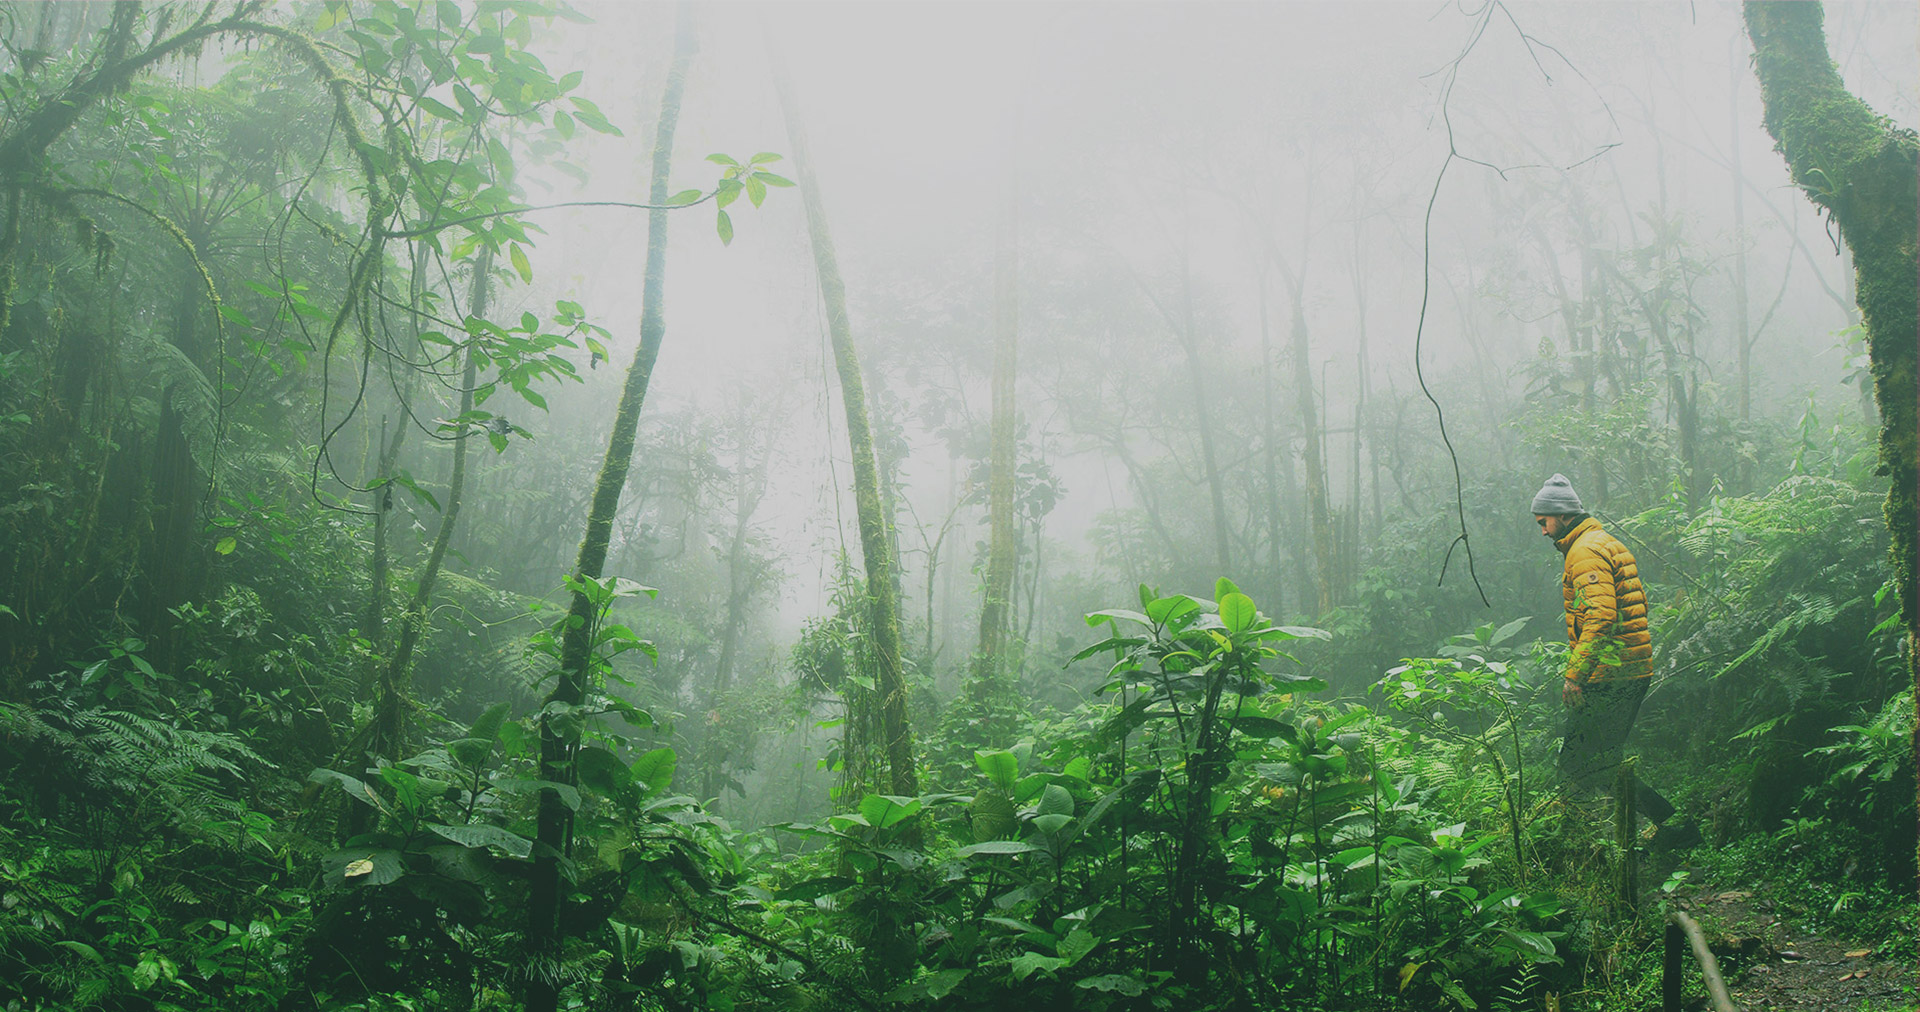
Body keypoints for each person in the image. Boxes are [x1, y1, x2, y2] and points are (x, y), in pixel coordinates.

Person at [1532, 473, 1698, 849]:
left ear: (1562, 515)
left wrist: (1575, 676)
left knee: (1579, 764)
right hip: (1625, 670)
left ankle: (1584, 845)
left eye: (1544, 522)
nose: (1542, 531)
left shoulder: (1585, 550)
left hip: (1614, 674)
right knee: (1599, 761)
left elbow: (1602, 617)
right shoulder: (1601, 541)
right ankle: (1668, 829)